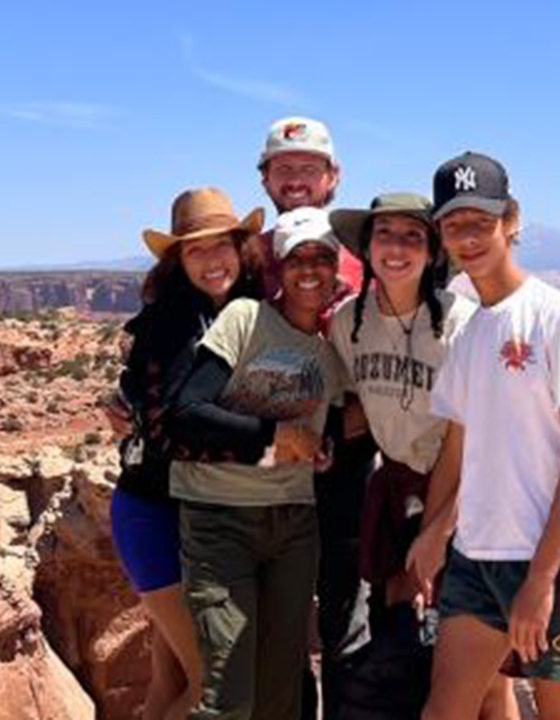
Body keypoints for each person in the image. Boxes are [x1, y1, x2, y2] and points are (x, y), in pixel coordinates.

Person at [407, 152, 560, 720]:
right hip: (480, 553)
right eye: (454, 225)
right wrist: (432, 536)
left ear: (512, 220)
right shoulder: (469, 333)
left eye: (481, 222)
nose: (468, 238)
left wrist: (541, 580)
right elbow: (457, 446)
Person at [326, 193, 518, 720]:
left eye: (413, 236)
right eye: (384, 234)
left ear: (433, 251)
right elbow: (351, 404)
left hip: (468, 503)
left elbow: (487, 440)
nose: (397, 248)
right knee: (409, 648)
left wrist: (438, 530)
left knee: (485, 677)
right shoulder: (348, 323)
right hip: (397, 495)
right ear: (366, 248)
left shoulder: (463, 324)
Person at [167, 207, 350, 720]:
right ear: (278, 269)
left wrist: (323, 448)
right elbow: (188, 412)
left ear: (336, 269)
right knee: (228, 697)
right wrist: (275, 436)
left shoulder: (330, 357)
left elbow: (335, 428)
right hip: (219, 521)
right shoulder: (245, 319)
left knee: (280, 693)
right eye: (297, 259)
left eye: (322, 258)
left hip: (294, 525)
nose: (309, 270)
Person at [111, 187, 266, 720]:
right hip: (155, 514)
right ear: (179, 260)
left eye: (221, 245)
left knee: (170, 681)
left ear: (240, 250)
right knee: (210, 683)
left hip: (189, 516)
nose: (211, 260)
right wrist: (270, 439)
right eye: (196, 250)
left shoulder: (239, 311)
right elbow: (171, 426)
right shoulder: (173, 323)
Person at [256, 116, 374, 719]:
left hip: (347, 465)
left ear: (334, 177)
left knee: (347, 617)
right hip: (268, 469)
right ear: (265, 178)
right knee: (279, 623)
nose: (296, 179)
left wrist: (347, 425)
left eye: (309, 168)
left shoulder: (366, 255)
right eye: (284, 168)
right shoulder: (247, 257)